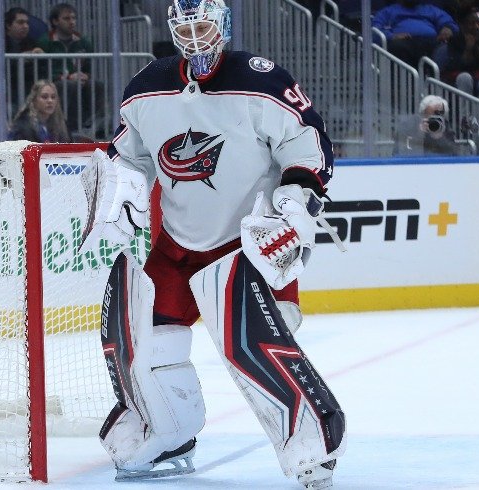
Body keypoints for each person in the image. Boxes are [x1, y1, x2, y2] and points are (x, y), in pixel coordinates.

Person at [82, 1, 345, 488]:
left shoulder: (261, 81)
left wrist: (294, 199)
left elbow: (308, 147)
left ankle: (312, 442)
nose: (195, 38)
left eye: (203, 26)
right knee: (146, 343)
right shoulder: (146, 87)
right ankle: (170, 434)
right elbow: (127, 156)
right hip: (176, 245)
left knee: (254, 347)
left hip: (248, 245)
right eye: (184, 28)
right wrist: (116, 191)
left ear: (222, 25)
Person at [37, 3, 105, 136]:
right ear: (55, 21)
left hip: (77, 80)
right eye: (66, 18)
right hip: (54, 82)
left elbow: (88, 68)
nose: (72, 22)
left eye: (73, 18)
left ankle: (96, 126)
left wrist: (86, 75)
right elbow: (42, 70)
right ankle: (72, 128)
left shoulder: (84, 42)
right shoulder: (45, 41)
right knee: (70, 85)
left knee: (97, 85)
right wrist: (65, 77)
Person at [372, 0, 459, 67]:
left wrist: (448, 28)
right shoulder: (388, 11)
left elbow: (450, 23)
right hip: (404, 42)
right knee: (397, 47)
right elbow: (375, 30)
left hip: (431, 42)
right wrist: (392, 36)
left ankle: (435, 80)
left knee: (447, 47)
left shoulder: (431, 9)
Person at [394, 94, 461, 155]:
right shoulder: (408, 125)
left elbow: (454, 154)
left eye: (438, 116)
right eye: (430, 116)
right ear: (422, 114)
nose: (434, 120)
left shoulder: (444, 126)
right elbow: (400, 151)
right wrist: (419, 135)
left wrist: (440, 138)